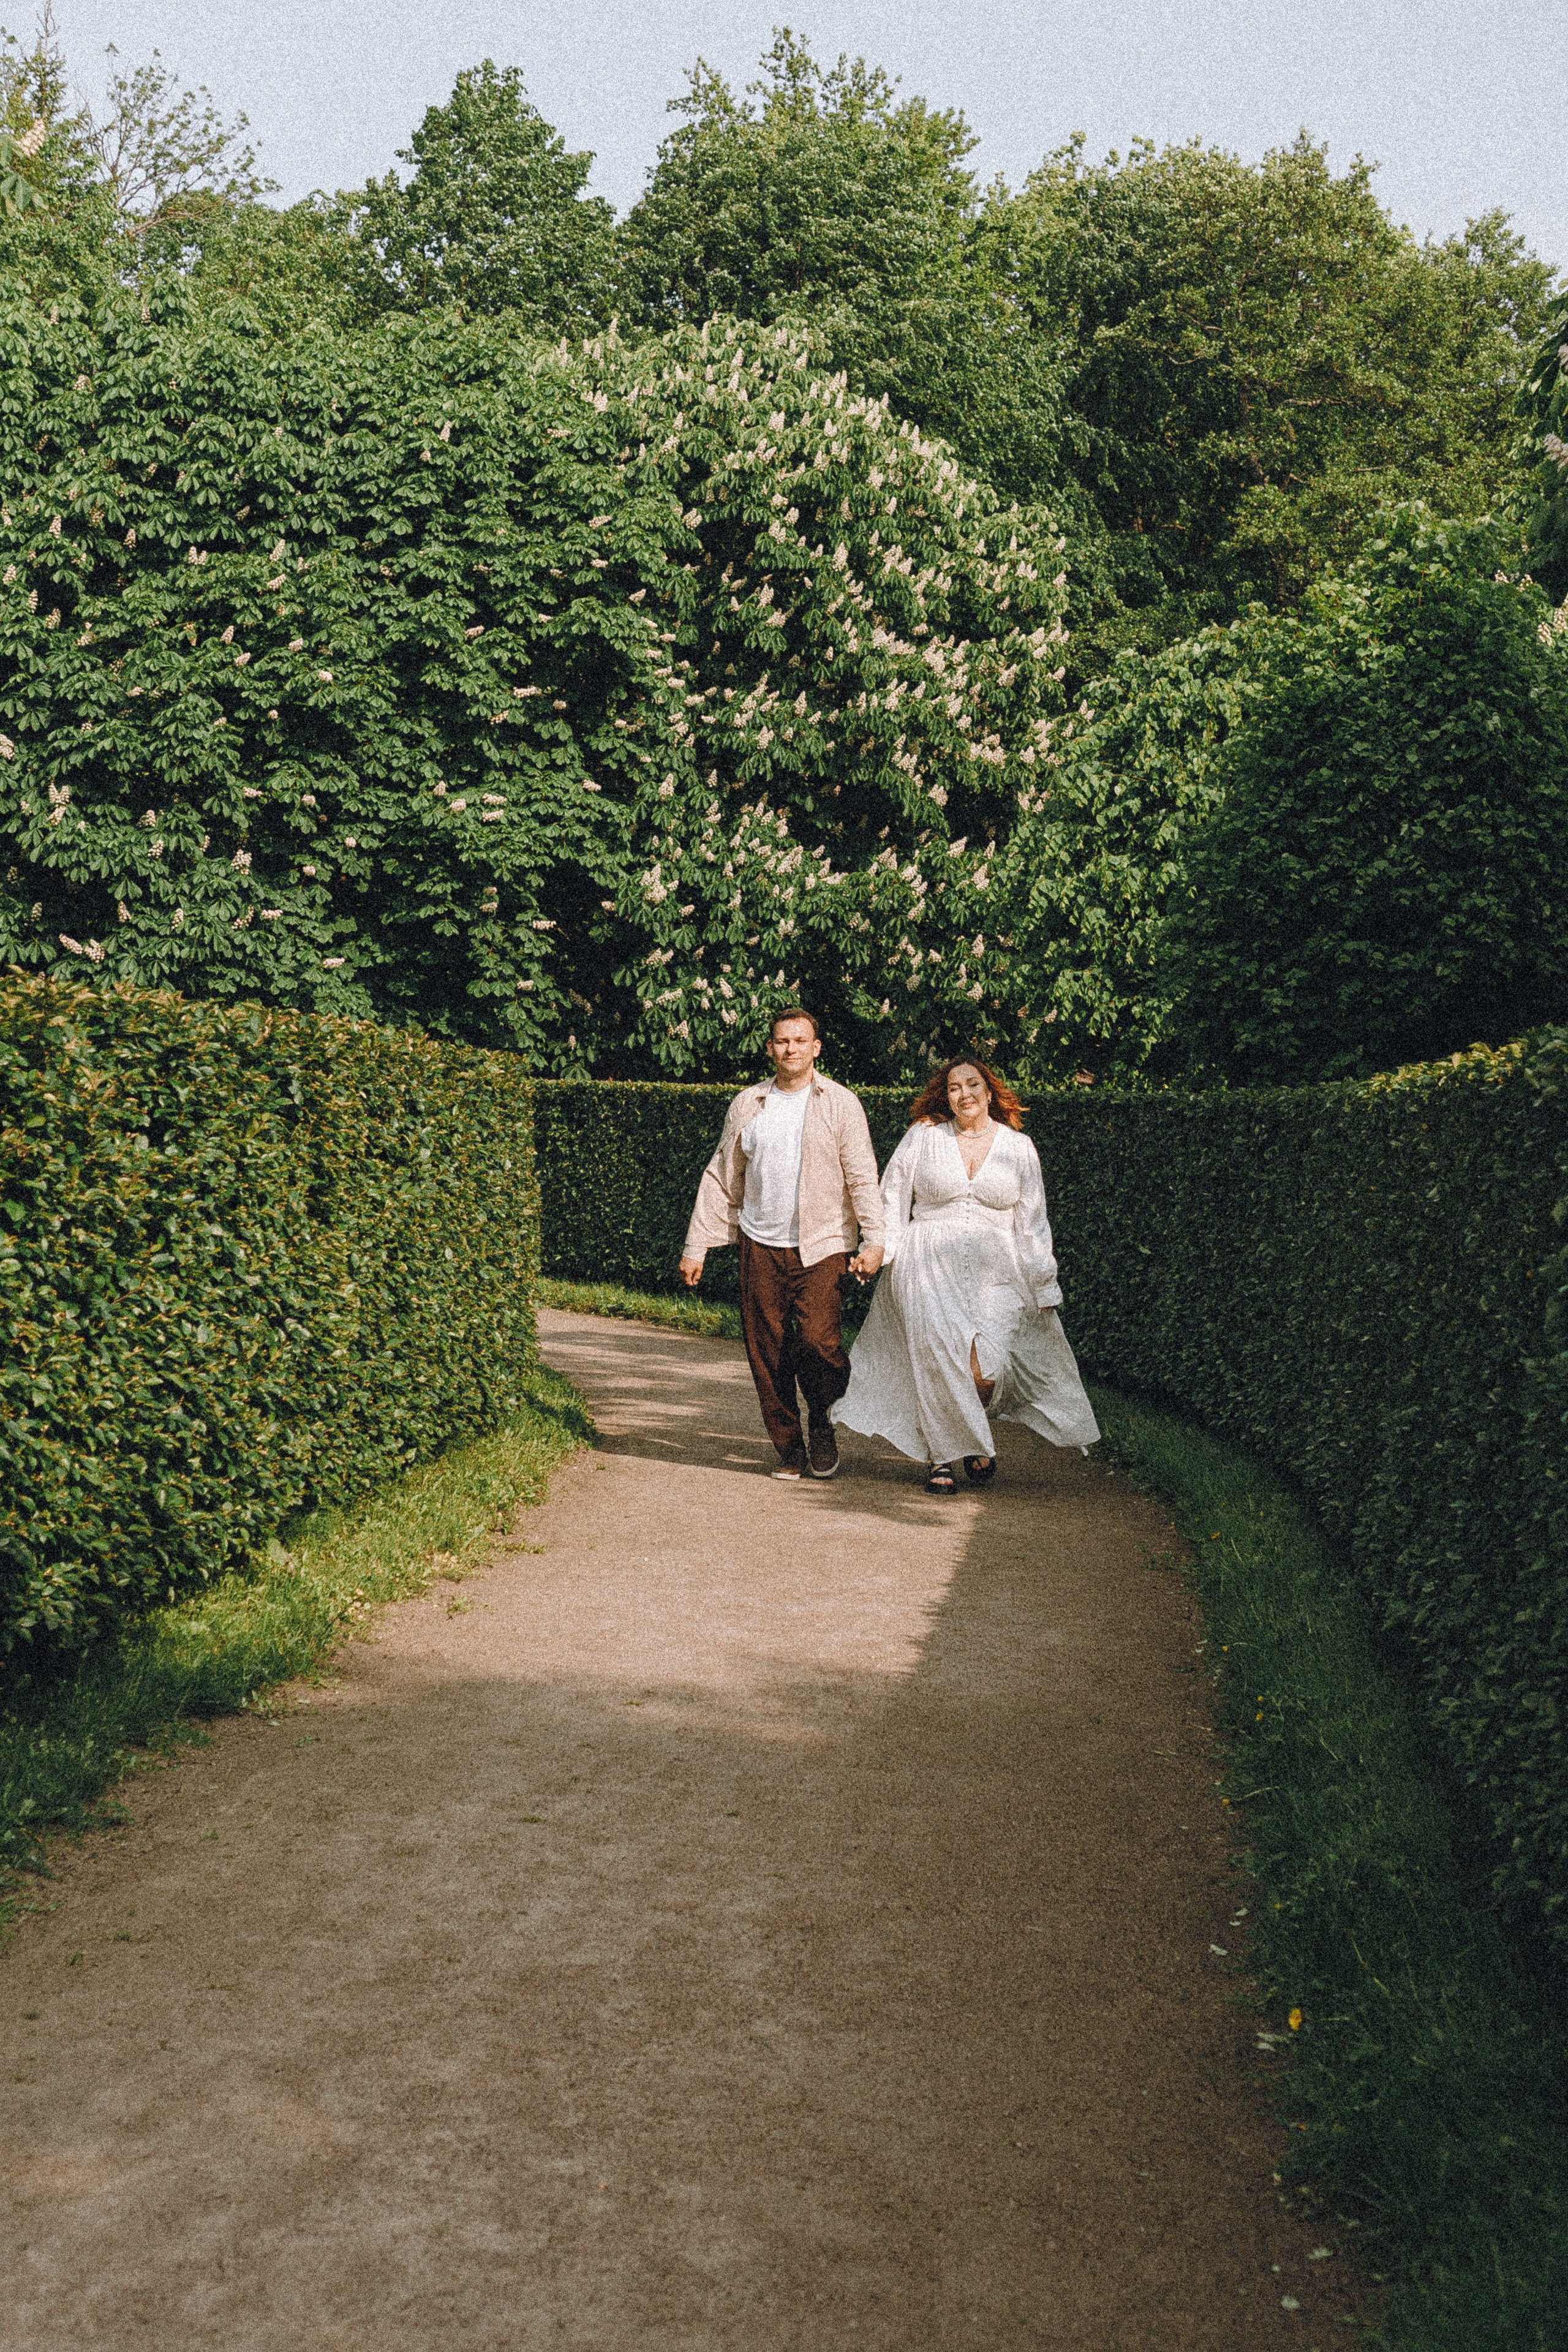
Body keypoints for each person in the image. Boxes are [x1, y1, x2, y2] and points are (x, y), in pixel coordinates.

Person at [832, 1057, 1099, 1491]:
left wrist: (1043, 1281)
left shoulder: (1019, 1148)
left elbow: (1033, 1223)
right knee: (937, 1357)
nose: (964, 1094)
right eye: (955, 1087)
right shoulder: (923, 1137)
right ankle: (941, 1458)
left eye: (973, 1084)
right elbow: (893, 1199)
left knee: (984, 1368)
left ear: (989, 1092)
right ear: (947, 1096)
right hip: (926, 1263)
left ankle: (968, 1429)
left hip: (997, 1269)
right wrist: (878, 1251)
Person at [679, 1009, 885, 1480]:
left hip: (824, 1243)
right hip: (761, 1243)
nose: (790, 1048)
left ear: (816, 1047)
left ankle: (822, 1417)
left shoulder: (841, 1103)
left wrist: (874, 1241)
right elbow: (722, 1176)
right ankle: (790, 1448)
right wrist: (697, 1245)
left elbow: (862, 1176)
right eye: (781, 1041)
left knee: (819, 1343)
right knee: (766, 1349)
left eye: (800, 1040)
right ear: (770, 1049)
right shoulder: (748, 1104)